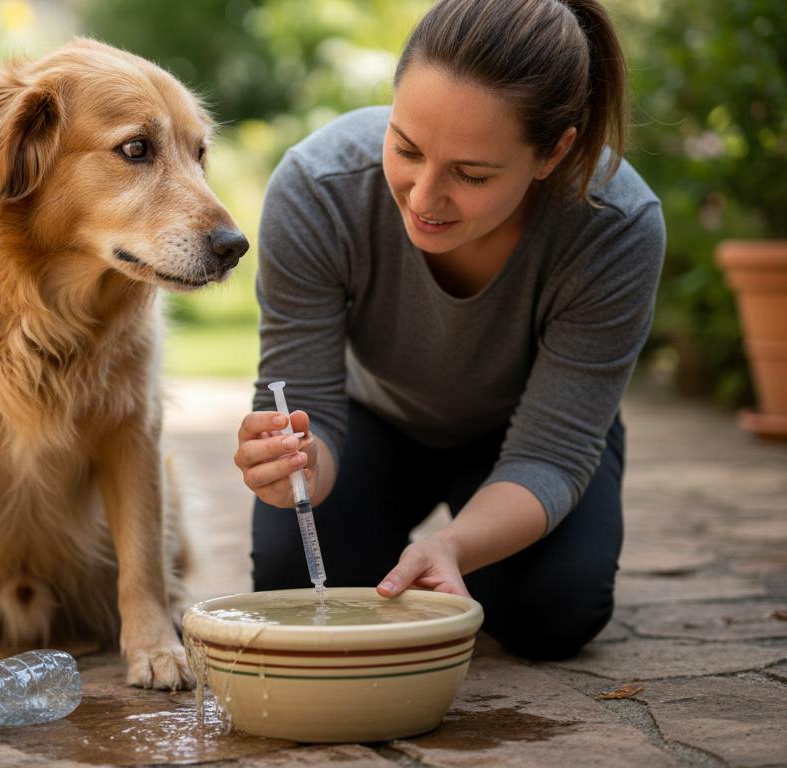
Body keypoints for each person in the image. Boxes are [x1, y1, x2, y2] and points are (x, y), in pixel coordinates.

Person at [233, 0, 665, 661]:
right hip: (371, 420)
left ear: (554, 152)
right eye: (406, 148)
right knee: (298, 584)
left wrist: (454, 545)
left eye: (472, 173)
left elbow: (553, 451)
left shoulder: (616, 225)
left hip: (522, 435)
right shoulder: (318, 187)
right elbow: (309, 407)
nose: (424, 197)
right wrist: (300, 463)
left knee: (553, 611)